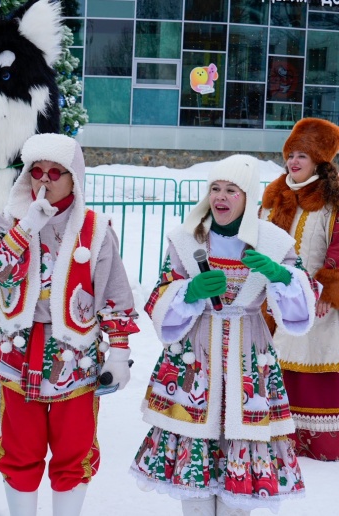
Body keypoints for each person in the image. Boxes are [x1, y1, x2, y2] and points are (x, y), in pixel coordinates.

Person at [131, 155, 318, 515]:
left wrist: (282, 276)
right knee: (194, 456)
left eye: (232, 190)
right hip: (195, 356)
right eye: (215, 188)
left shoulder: (273, 242)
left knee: (241, 449)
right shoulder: (186, 240)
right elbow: (158, 300)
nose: (221, 196)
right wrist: (189, 292)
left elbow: (300, 313)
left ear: (248, 197)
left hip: (249, 355)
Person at [0, 133, 140, 516]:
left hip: (75, 355)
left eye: (55, 172)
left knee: (74, 447)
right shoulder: (11, 220)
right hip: (19, 351)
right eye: (37, 172)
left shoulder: (96, 229)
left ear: (74, 177)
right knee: (20, 446)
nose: (44, 181)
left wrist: (119, 353)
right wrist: (26, 226)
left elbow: (114, 294)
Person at [259, 118, 339, 461]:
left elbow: (337, 245)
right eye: (291, 154)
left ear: (319, 160)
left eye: (302, 155)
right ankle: (274, 434)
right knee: (273, 361)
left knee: (310, 360)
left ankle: (314, 442)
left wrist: (328, 287)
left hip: (316, 300)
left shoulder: (332, 200)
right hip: (271, 299)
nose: (293, 161)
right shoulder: (275, 195)